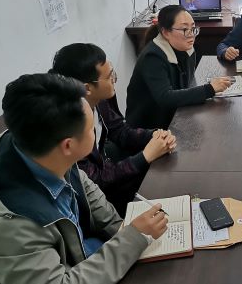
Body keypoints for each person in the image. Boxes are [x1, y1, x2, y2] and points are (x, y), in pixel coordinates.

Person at [0, 73, 168, 284]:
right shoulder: (9, 222)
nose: (95, 131)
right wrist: (132, 238)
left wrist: (123, 229)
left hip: (82, 266)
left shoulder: (37, 146)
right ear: (68, 145)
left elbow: (89, 192)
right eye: (90, 128)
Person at [51, 43, 177, 216]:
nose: (114, 79)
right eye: (110, 76)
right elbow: (96, 180)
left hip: (109, 175)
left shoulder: (100, 98)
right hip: (91, 202)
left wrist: (154, 135)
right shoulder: (68, 127)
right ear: (87, 88)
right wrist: (145, 156)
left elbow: (120, 131)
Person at [126, 5, 232, 129]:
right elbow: (165, 98)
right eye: (184, 29)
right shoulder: (152, 57)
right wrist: (209, 89)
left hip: (175, 116)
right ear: (166, 32)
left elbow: (187, 84)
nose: (191, 35)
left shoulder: (186, 48)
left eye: (193, 28)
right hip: (148, 129)